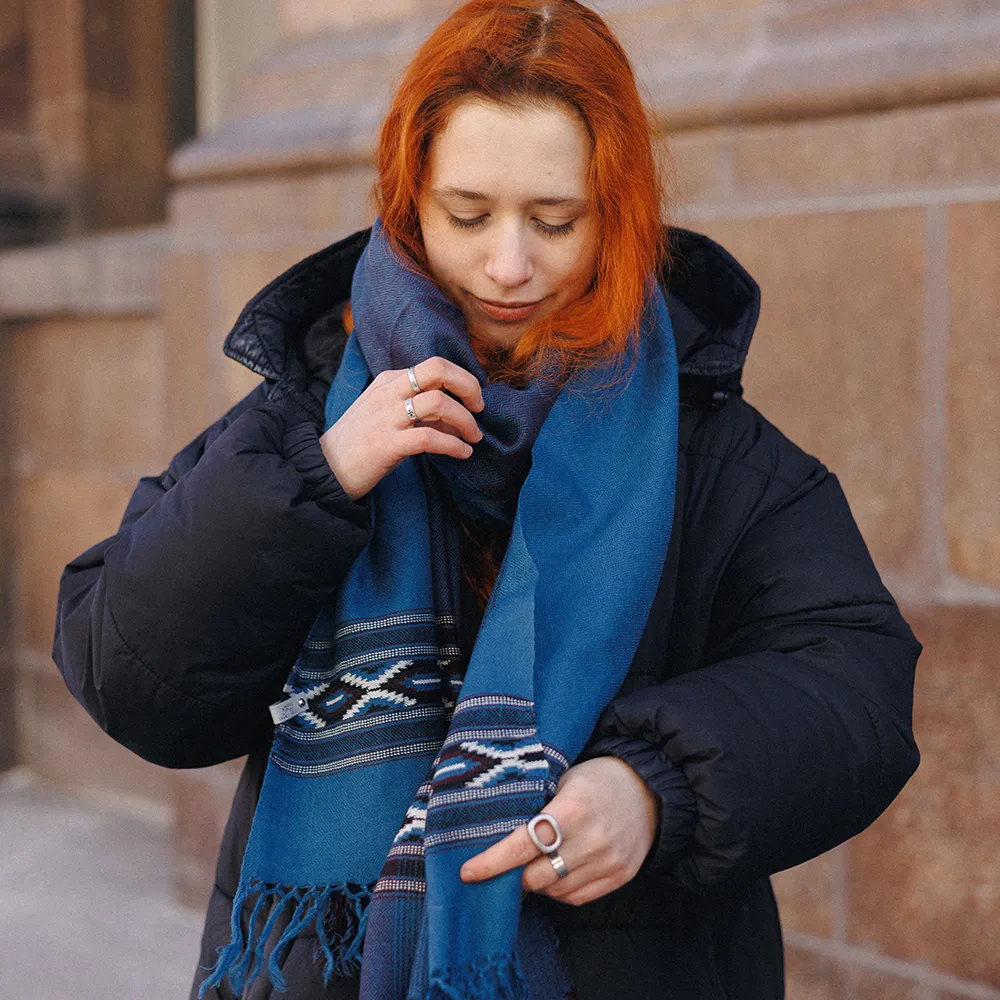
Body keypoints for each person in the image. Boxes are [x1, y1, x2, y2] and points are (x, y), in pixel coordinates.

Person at [51, 1, 921, 998]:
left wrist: (657, 787)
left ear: (618, 212)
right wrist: (317, 476)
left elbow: (852, 682)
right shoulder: (308, 412)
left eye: (556, 221)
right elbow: (131, 679)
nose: (509, 266)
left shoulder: (715, 450)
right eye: (467, 215)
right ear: (407, 200)